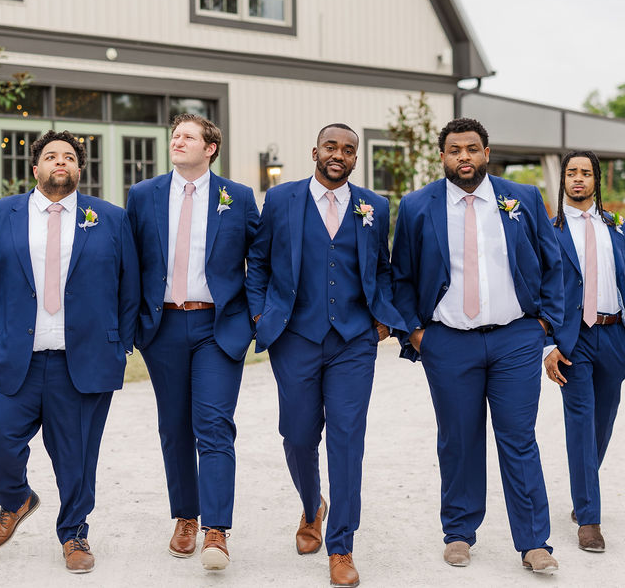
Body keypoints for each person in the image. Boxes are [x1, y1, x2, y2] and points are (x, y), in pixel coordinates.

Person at [0, 131, 140, 573]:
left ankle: (75, 532)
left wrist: (121, 344)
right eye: (51, 156)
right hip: (8, 357)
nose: (61, 162)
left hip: (82, 359)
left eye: (70, 157)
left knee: (77, 455)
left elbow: (128, 286)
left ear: (80, 169)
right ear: (35, 168)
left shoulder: (110, 218)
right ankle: (15, 499)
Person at [391, 116, 563, 574]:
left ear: (487, 153)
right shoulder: (416, 206)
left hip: (514, 339)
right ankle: (459, 533)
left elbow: (553, 263)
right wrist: (416, 332)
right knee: (458, 440)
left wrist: (544, 324)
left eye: (471, 148)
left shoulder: (521, 198)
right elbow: (401, 276)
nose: (463, 157)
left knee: (519, 439)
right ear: (443, 156)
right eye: (454, 150)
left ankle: (534, 542)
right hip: (447, 343)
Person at [246, 123, 404, 588]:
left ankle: (342, 546)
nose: (339, 154)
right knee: (296, 434)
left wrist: (384, 318)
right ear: (315, 151)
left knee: (347, 439)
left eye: (348, 150)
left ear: (356, 158)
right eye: (332, 147)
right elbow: (258, 261)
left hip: (354, 341)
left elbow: (382, 268)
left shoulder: (374, 206)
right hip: (295, 335)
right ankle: (312, 505)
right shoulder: (281, 200)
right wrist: (260, 314)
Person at [125, 113, 258, 571]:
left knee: (214, 426)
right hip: (162, 328)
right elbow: (130, 261)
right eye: (175, 135)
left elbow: (258, 259)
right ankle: (185, 516)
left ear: (210, 148)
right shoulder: (143, 196)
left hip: (217, 328)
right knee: (174, 426)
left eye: (188, 136)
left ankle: (216, 530)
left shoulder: (236, 197)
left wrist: (253, 318)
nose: (178, 141)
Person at [543, 150, 625, 552]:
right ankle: (589, 519)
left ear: (596, 180)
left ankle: (584, 487)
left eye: (586, 173)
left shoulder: (617, 226)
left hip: (614, 334)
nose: (578, 179)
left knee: (603, 421)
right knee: (581, 423)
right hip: (574, 340)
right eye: (572, 173)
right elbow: (540, 291)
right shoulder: (548, 229)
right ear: (563, 180)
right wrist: (549, 343)